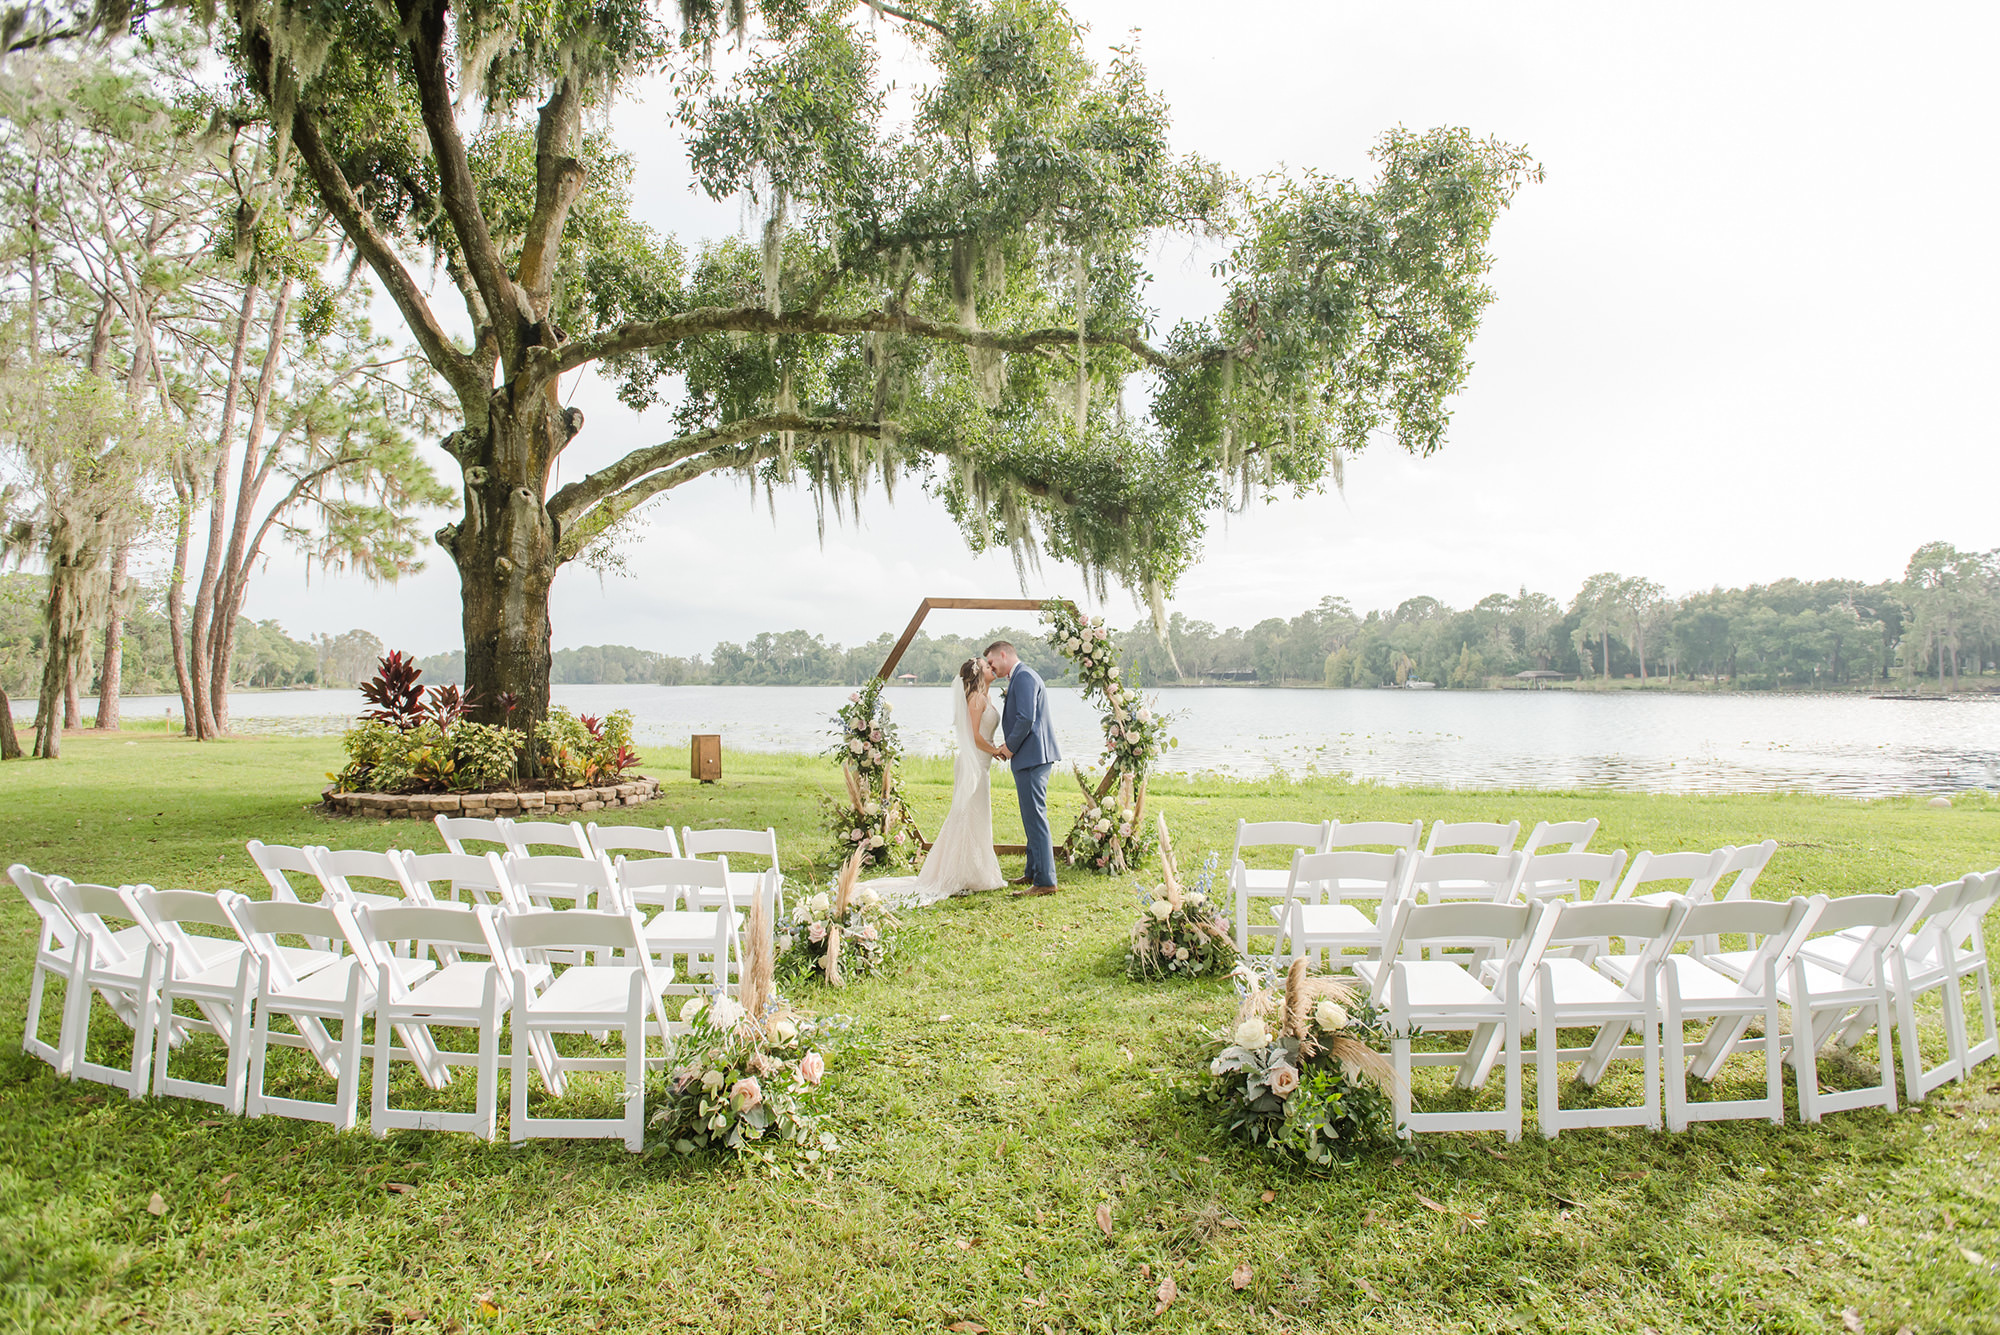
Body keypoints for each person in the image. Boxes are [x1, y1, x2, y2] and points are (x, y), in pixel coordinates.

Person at [867, 659, 1007, 906]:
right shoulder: (976, 698)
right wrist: (995, 750)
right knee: (965, 814)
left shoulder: (986, 697)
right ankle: (959, 873)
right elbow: (974, 737)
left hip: (981, 763)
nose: (992, 669)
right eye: (987, 667)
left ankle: (975, 871)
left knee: (978, 815)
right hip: (973, 762)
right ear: (978, 675)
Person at [984, 639, 1060, 896]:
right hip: (1030, 757)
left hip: (1032, 757)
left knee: (1035, 818)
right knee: (1030, 817)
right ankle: (1032, 872)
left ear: (1003, 654)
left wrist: (1009, 748)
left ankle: (1046, 881)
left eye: (992, 662)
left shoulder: (1025, 676)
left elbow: (1027, 717)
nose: (992, 668)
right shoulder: (1021, 676)